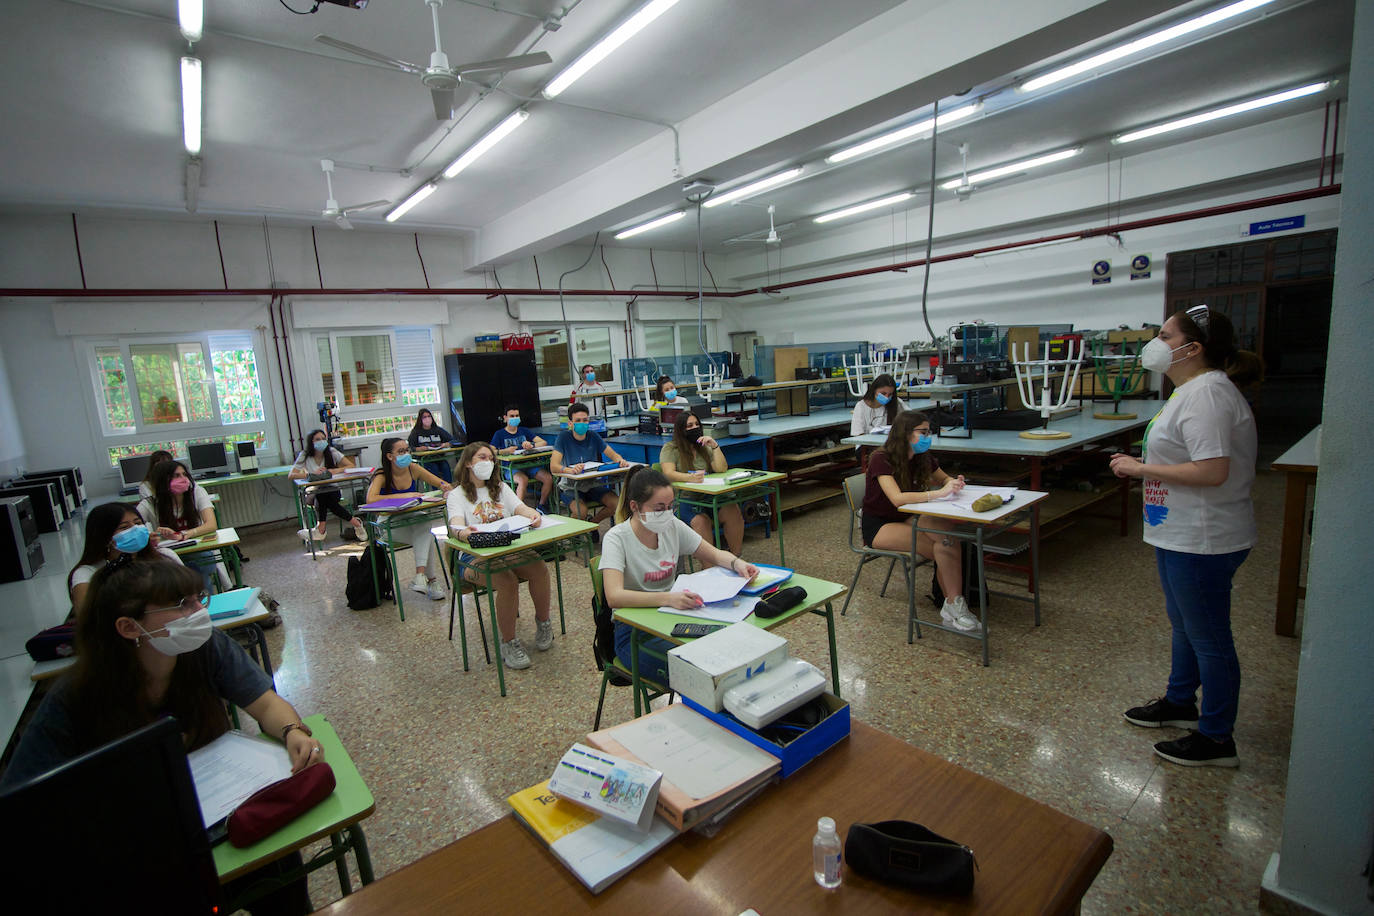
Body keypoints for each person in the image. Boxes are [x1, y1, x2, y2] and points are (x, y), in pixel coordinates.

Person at [1, 559, 321, 915]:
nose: (199, 611)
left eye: (199, 598)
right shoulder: (74, 696)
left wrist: (292, 729)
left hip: (222, 814)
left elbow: (264, 704)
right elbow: (23, 799)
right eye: (182, 604)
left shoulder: (205, 648)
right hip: (141, 845)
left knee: (281, 869)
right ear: (128, 627)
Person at [1111, 305, 1257, 768]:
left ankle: (1216, 739)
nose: (1155, 342)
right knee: (1186, 627)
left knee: (1210, 637)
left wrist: (1139, 468)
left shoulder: (1208, 395)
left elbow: (1213, 470)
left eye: (1165, 335)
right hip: (1177, 533)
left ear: (1191, 349)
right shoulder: (1189, 392)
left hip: (1204, 537)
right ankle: (1179, 702)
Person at [600, 467, 759, 683]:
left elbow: (711, 552)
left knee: (733, 650)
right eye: (659, 508)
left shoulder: (671, 526)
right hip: (634, 634)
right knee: (701, 673)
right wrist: (669, 598)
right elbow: (614, 596)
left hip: (672, 619)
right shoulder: (616, 539)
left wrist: (737, 563)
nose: (666, 513)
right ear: (635, 507)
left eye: (670, 507)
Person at [862, 410, 977, 631]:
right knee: (941, 545)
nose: (927, 437)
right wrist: (938, 493)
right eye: (922, 432)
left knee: (948, 537)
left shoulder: (921, 457)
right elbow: (897, 499)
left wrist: (955, 483)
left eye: (928, 432)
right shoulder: (881, 459)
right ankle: (953, 606)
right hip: (879, 525)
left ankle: (954, 605)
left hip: (908, 516)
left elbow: (943, 478)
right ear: (905, 433)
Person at [446, 443, 554, 671]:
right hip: (472, 555)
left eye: (491, 458)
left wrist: (532, 514)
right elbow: (455, 524)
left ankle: (544, 623)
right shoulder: (457, 495)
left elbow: (520, 508)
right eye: (481, 457)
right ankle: (509, 642)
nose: (488, 461)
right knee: (507, 581)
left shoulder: (501, 487)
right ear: (468, 462)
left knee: (539, 568)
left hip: (506, 548)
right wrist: (463, 532)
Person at [365, 437, 453, 600]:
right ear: (389, 456)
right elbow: (370, 499)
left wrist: (445, 487)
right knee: (427, 535)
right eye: (401, 451)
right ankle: (431, 581)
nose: (406, 454)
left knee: (425, 524)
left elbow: (440, 482)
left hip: (412, 519)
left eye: (407, 450)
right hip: (389, 526)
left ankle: (421, 578)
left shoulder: (413, 468)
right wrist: (404, 495)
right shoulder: (382, 474)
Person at [67, 502, 184, 613]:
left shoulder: (165, 556)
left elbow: (189, 594)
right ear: (104, 536)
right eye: (124, 527)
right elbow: (89, 619)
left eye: (138, 523)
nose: (135, 529)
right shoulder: (87, 573)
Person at [659, 410, 745, 555]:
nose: (695, 428)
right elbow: (668, 473)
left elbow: (721, 468)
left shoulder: (703, 446)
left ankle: (735, 559)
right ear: (681, 430)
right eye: (689, 425)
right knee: (701, 521)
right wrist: (690, 478)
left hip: (707, 496)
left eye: (697, 424)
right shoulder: (670, 448)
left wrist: (714, 446)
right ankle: (709, 567)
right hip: (684, 500)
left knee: (732, 510)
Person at [137, 459, 223, 592]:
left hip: (197, 550)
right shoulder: (149, 504)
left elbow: (211, 524)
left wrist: (184, 534)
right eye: (176, 476)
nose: (183, 479)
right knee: (184, 575)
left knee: (199, 571)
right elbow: (132, 528)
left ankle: (203, 605)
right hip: (168, 554)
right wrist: (150, 536)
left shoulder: (197, 492)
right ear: (162, 481)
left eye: (185, 474)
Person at [550, 402, 631, 523]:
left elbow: (613, 454)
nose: (582, 423)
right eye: (578, 420)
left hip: (593, 484)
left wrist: (620, 460)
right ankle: (574, 537)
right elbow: (553, 467)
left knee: (617, 503)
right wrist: (570, 470)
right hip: (571, 486)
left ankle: (592, 525)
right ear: (570, 423)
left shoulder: (593, 436)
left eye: (585, 420)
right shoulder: (563, 437)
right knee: (580, 512)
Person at [289, 429, 367, 545]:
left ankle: (320, 530)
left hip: (333, 489)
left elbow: (351, 465)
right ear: (311, 442)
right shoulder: (305, 455)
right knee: (323, 495)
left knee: (324, 495)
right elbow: (292, 475)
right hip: (313, 492)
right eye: (317, 439)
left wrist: (334, 471)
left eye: (323, 439)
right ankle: (357, 523)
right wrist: (311, 474)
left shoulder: (331, 451)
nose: (321, 441)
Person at [489, 404, 553, 513]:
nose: (515, 418)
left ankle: (541, 506)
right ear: (505, 418)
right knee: (523, 480)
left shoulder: (524, 431)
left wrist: (531, 445)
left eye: (517, 416)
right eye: (511, 416)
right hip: (511, 468)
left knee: (548, 478)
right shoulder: (499, 434)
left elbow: (543, 442)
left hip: (529, 465)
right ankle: (519, 511)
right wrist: (504, 451)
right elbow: (490, 452)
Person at [850, 373, 907, 438]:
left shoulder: (897, 402)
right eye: (883, 393)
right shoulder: (861, 406)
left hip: (889, 445)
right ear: (874, 390)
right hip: (867, 446)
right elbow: (858, 434)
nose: (886, 397)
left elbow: (910, 419)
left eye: (890, 394)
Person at [407, 408, 456, 483]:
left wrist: (446, 444)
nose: (427, 419)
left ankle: (449, 487)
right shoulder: (416, 432)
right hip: (425, 459)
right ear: (420, 419)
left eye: (429, 416)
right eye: (424, 417)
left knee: (445, 466)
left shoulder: (438, 430)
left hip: (439, 457)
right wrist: (418, 449)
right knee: (433, 468)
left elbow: (453, 441)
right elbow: (410, 447)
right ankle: (436, 490)